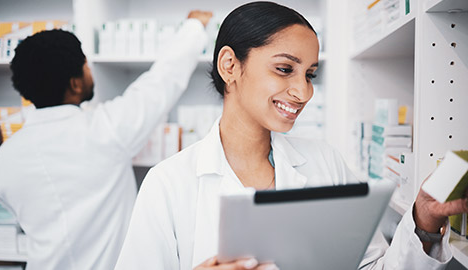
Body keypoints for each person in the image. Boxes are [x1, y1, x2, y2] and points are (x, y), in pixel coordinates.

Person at [115, 2, 468, 270]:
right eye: (285, 69)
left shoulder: (324, 162)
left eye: (310, 74)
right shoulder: (169, 183)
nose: (303, 92)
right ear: (230, 66)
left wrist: (422, 223)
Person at [0, 11, 212, 270]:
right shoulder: (105, 130)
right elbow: (162, 82)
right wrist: (193, 27)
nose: (90, 70)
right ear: (75, 84)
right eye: (86, 65)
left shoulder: (6, 154)